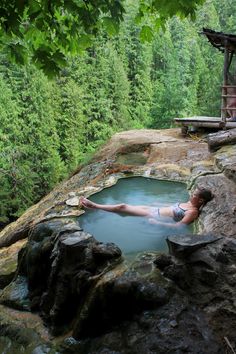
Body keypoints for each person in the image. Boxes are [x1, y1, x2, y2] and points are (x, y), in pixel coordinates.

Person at [80, 187, 213, 227]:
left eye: (194, 195)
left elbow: (180, 226)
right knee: (123, 210)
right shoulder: (189, 203)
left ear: (200, 200)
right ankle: (96, 208)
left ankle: (94, 206)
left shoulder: (192, 212)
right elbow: (171, 208)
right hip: (152, 209)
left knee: (122, 207)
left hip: (154, 215)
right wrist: (157, 204)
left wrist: (158, 223)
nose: (192, 195)